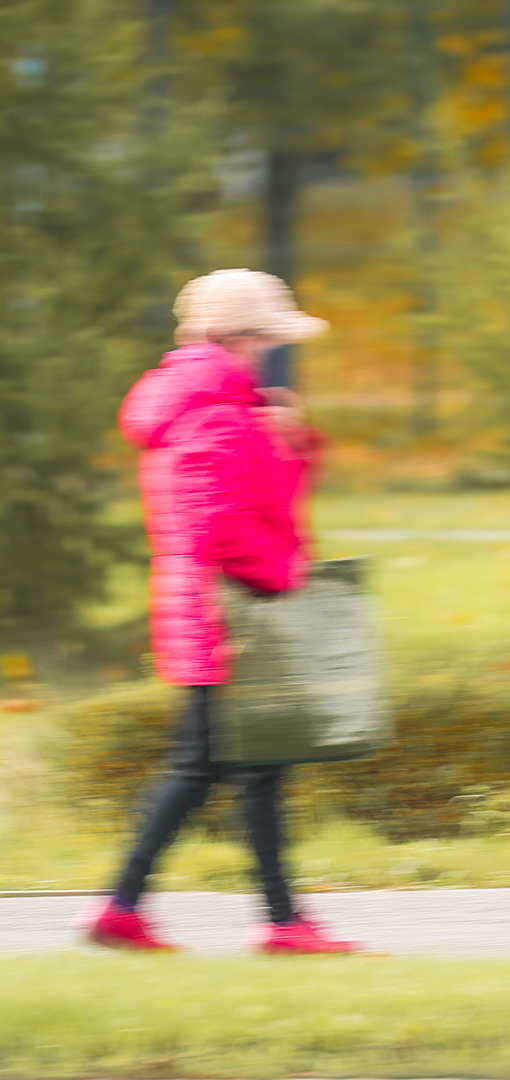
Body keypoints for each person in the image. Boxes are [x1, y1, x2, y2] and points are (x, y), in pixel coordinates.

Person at [82, 269, 357, 954]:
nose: (273, 352)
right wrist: (284, 579)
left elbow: (268, 505)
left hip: (219, 612)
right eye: (268, 340)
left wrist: (293, 444)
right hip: (233, 617)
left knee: (208, 767)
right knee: (250, 769)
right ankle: (281, 924)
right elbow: (220, 526)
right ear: (241, 336)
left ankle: (126, 909)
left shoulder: (224, 407)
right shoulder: (215, 413)